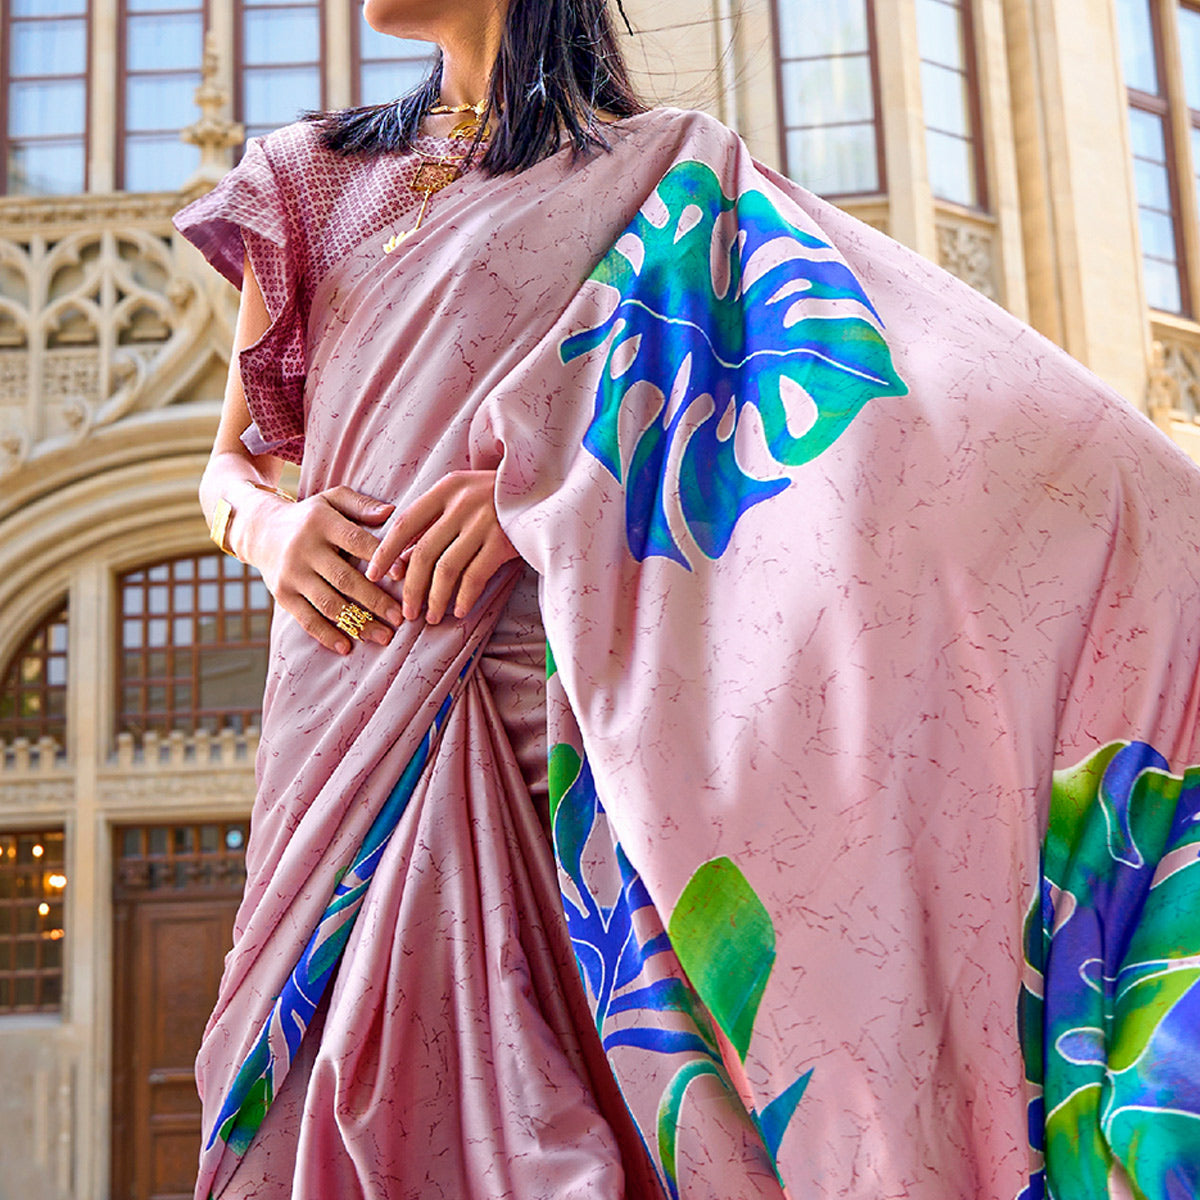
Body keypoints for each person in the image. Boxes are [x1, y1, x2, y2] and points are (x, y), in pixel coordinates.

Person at [174, 0, 1200, 1196]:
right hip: (342, 706)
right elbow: (228, 466)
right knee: (308, 1089)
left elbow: (817, 412)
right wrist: (271, 525)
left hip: (553, 717)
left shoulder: (669, 174)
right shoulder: (308, 179)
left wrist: (529, 493)